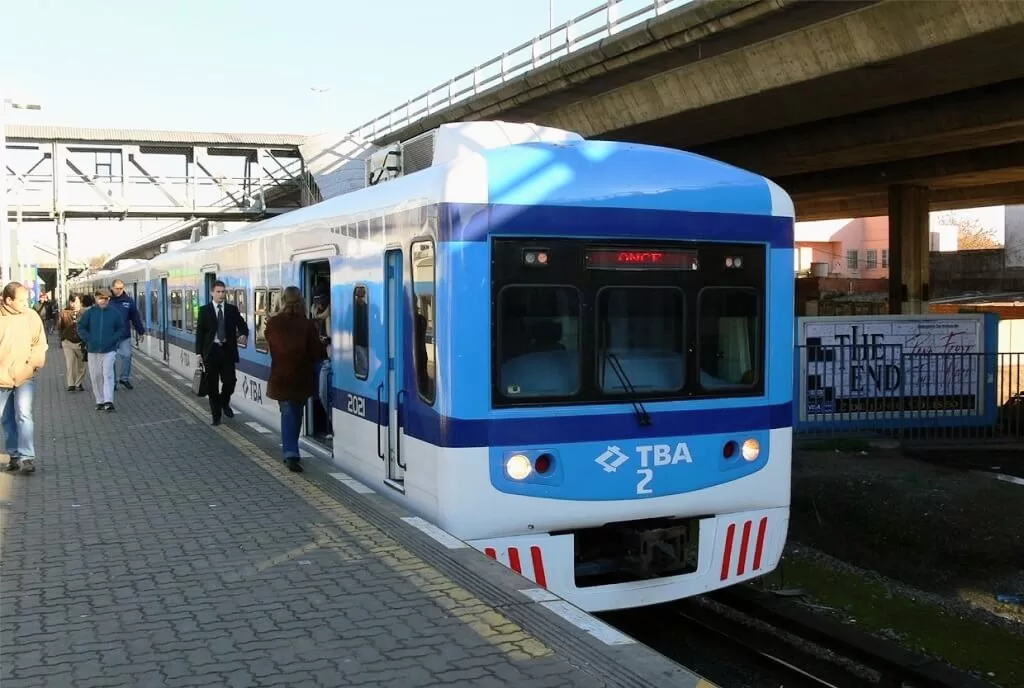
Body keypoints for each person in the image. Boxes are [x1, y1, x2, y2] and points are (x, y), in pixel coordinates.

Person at [266, 286, 327, 472]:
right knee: (294, 413)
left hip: (280, 377)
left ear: (282, 300)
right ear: (301, 301)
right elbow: (318, 353)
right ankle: (291, 453)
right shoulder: (307, 325)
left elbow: (271, 346)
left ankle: (290, 452)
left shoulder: (273, 324)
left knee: (288, 412)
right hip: (300, 378)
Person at [0, 281, 48, 474]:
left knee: (24, 414)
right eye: (21, 300)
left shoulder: (31, 316)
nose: (26, 303)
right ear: (8, 300)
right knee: (6, 418)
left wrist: (31, 366)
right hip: (2, 378)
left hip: (25, 376)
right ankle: (13, 454)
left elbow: (39, 344)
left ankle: (27, 457)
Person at [195, 280, 249, 426]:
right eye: (218, 292)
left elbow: (242, 325)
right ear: (212, 293)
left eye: (223, 292)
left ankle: (224, 402)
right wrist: (198, 353)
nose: (221, 294)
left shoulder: (232, 310)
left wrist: (244, 333)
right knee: (212, 386)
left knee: (230, 382)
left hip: (227, 351)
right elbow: (200, 333)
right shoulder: (204, 310)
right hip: (211, 352)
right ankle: (216, 416)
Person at [77, 288, 127, 412]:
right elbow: (81, 327)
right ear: (96, 299)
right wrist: (89, 339)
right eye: (101, 298)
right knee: (95, 375)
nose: (103, 301)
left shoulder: (114, 313)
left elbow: (121, 328)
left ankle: (108, 400)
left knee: (107, 374)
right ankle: (99, 400)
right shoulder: (90, 313)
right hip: (93, 350)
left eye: (106, 299)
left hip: (109, 349)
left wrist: (114, 340)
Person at [109, 279, 145, 390]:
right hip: (110, 337)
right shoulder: (107, 300)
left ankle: (124, 378)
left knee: (127, 356)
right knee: (111, 360)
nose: (119, 291)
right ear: (112, 288)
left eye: (121, 288)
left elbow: (135, 316)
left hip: (124, 335)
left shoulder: (128, 301)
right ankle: (113, 383)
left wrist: (140, 331)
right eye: (117, 288)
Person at [58, 293, 88, 392]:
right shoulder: (64, 312)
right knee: (70, 362)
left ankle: (78, 383)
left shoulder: (85, 313)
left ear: (80, 302)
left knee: (81, 365)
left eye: (75, 301)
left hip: (81, 343)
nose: (73, 304)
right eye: (71, 301)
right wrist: (62, 339)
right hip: (67, 342)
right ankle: (71, 384)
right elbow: (60, 327)